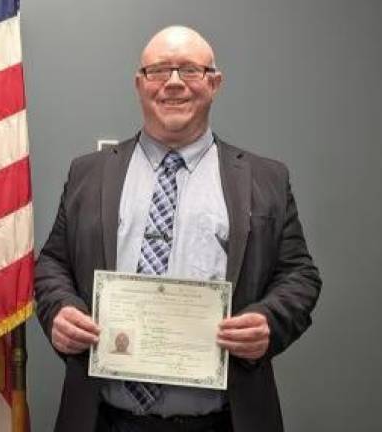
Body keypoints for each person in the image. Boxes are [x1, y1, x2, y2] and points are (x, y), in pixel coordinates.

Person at [35, 25, 321, 432]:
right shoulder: (88, 173)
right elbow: (52, 263)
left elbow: (300, 274)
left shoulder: (266, 178)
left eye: (190, 70)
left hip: (224, 420)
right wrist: (59, 310)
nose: (172, 84)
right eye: (159, 71)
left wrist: (269, 322)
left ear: (214, 83)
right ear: (139, 83)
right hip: (104, 419)